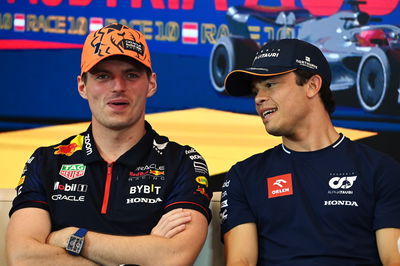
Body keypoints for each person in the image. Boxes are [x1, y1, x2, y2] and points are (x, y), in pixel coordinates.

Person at [6, 23, 212, 266]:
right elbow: (22, 257)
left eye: (131, 75)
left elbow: (174, 256)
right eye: (103, 76)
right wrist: (142, 255)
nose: (118, 87)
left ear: (152, 84)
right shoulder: (47, 161)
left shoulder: (182, 161)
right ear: (82, 86)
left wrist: (73, 237)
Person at [220, 38, 400, 265]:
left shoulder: (380, 170)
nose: (259, 98)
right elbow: (241, 261)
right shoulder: (244, 175)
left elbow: (394, 258)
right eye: (256, 90)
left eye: (270, 84)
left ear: (313, 85)